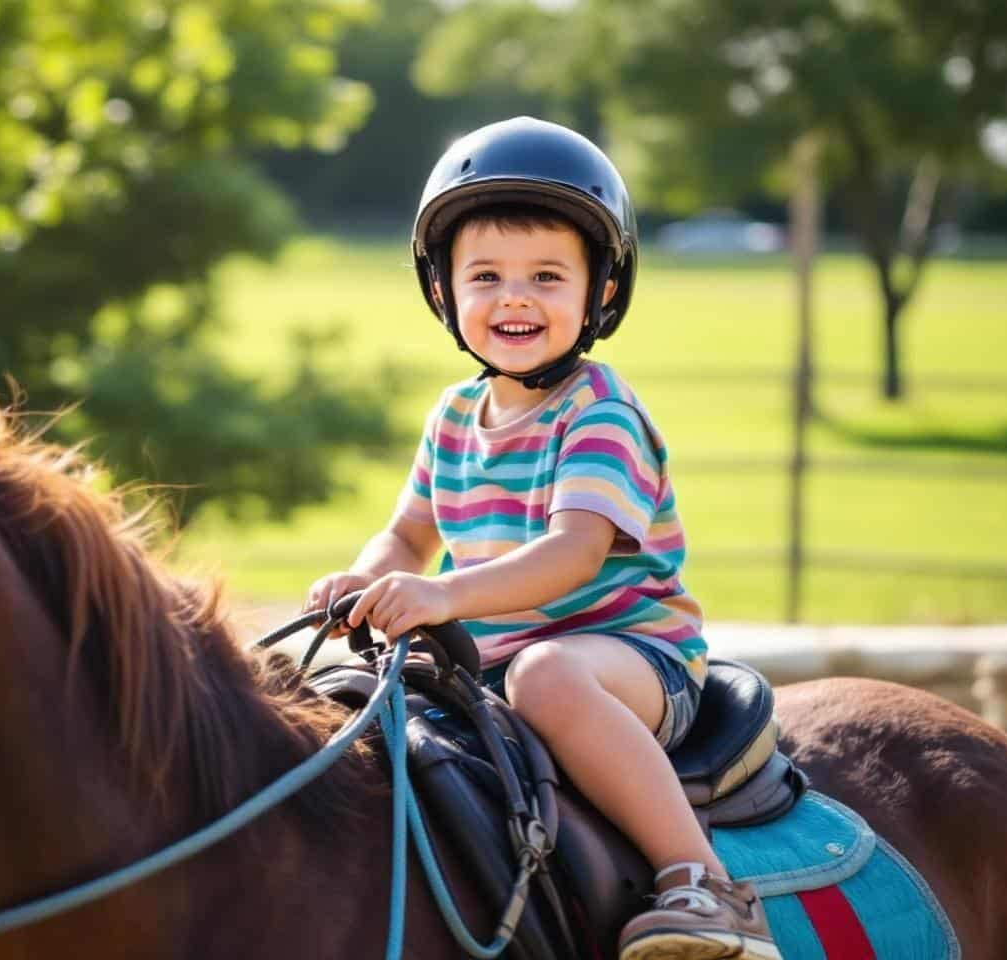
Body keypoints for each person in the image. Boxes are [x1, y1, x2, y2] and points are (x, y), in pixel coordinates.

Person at [305, 117, 776, 960]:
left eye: (547, 276)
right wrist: (361, 582)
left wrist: (444, 595)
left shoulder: (598, 413)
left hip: (628, 658)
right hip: (492, 666)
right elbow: (408, 533)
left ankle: (704, 884)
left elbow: (573, 554)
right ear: (443, 293)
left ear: (600, 293)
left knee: (548, 676)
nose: (513, 297)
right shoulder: (452, 416)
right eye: (485, 275)